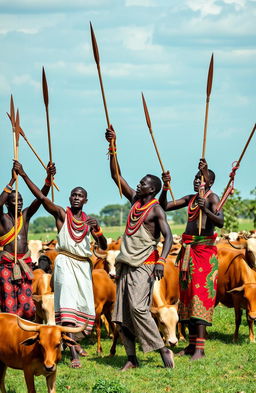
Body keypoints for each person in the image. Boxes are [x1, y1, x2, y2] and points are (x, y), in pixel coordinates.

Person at [13, 160, 107, 368]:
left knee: (82, 308)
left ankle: (70, 344)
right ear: (69, 198)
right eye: (73, 195)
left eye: (80, 195)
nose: (76, 198)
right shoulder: (61, 214)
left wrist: (98, 229)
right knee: (66, 308)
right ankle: (73, 354)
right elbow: (41, 197)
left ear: (85, 200)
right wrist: (25, 174)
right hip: (64, 263)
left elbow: (103, 245)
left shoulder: (89, 221)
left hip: (83, 267)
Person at [105, 125, 174, 371]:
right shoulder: (135, 201)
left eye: (143, 183)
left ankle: (161, 347)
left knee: (137, 308)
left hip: (144, 265)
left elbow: (169, 238)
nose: (139, 184)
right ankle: (132, 358)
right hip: (125, 263)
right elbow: (116, 176)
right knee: (120, 315)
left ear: (152, 189)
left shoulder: (156, 209)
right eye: (140, 182)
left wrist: (161, 261)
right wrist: (112, 147)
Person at [159, 159, 224, 360]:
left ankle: (200, 349)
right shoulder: (191, 198)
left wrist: (206, 209)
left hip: (204, 252)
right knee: (187, 297)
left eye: (201, 179)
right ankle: (191, 345)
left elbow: (220, 221)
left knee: (200, 298)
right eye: (196, 178)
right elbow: (165, 206)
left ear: (210, 183)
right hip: (188, 251)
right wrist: (165, 187)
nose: (197, 181)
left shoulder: (212, 198)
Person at [0, 162, 56, 320]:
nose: (19, 203)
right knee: (9, 305)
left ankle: (25, 333)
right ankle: (9, 338)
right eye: (14, 201)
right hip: (7, 265)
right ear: (6, 203)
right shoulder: (3, 219)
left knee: (28, 308)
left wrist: (48, 179)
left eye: (21, 200)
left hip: (25, 265)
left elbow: (40, 199)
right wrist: (11, 181)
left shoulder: (25, 216)